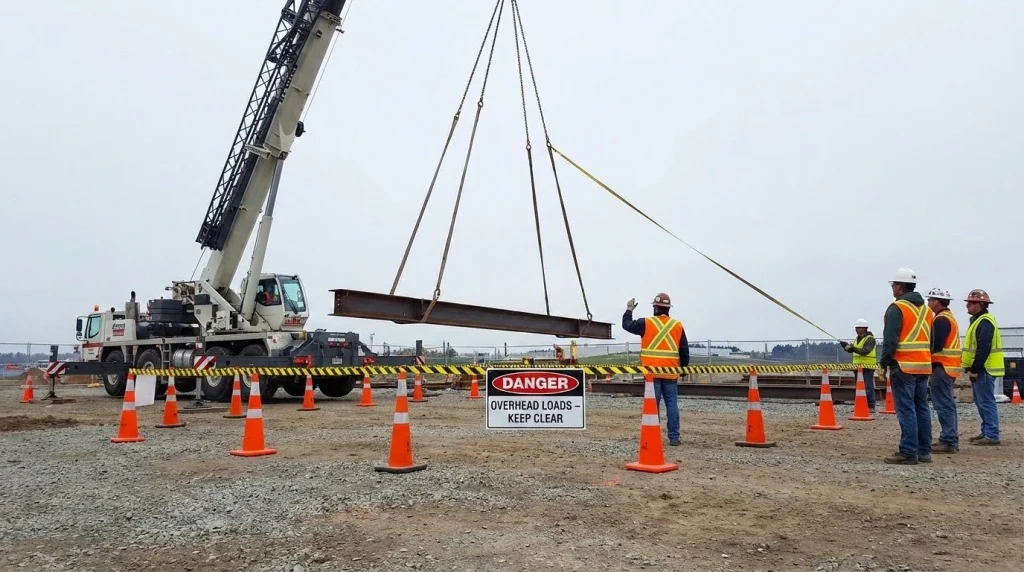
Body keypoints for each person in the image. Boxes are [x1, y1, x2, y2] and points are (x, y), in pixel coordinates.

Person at [878, 268, 933, 465]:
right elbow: (932, 340)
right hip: (923, 365)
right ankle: (924, 451)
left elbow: (890, 340)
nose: (892, 288)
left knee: (906, 409)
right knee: (921, 408)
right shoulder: (927, 310)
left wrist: (883, 363)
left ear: (900, 286)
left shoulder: (897, 308)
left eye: (894, 285)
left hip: (903, 365)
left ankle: (909, 452)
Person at [622, 293, 690, 446]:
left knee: (653, 406)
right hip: (671, 374)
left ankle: (654, 436)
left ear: (655, 307)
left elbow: (627, 325)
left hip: (651, 374)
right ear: (668, 308)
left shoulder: (646, 323)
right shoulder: (677, 325)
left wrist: (629, 310)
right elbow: (684, 350)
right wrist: (683, 368)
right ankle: (674, 437)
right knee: (672, 405)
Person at [961, 289, 1002, 446]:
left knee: (985, 401)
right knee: (981, 401)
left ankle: (991, 434)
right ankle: (987, 431)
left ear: (981, 304)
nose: (967, 306)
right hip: (983, 368)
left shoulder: (984, 322)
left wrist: (975, 369)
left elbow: (983, 347)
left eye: (971, 303)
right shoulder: (979, 321)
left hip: (985, 368)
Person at [925, 288, 962, 453]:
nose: (928, 302)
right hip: (947, 367)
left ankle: (948, 441)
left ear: (937, 301)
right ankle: (950, 439)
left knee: (943, 405)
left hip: (942, 366)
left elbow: (936, 344)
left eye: (930, 300)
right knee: (947, 404)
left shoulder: (941, 319)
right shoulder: (948, 317)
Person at [840, 318, 877, 412]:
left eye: (858, 328)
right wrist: (846, 347)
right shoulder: (857, 339)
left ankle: (870, 406)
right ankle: (860, 406)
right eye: (856, 328)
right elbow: (853, 350)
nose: (856, 330)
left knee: (868, 387)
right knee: (859, 388)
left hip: (868, 367)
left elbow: (865, 351)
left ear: (864, 328)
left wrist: (852, 348)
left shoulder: (870, 339)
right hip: (857, 367)